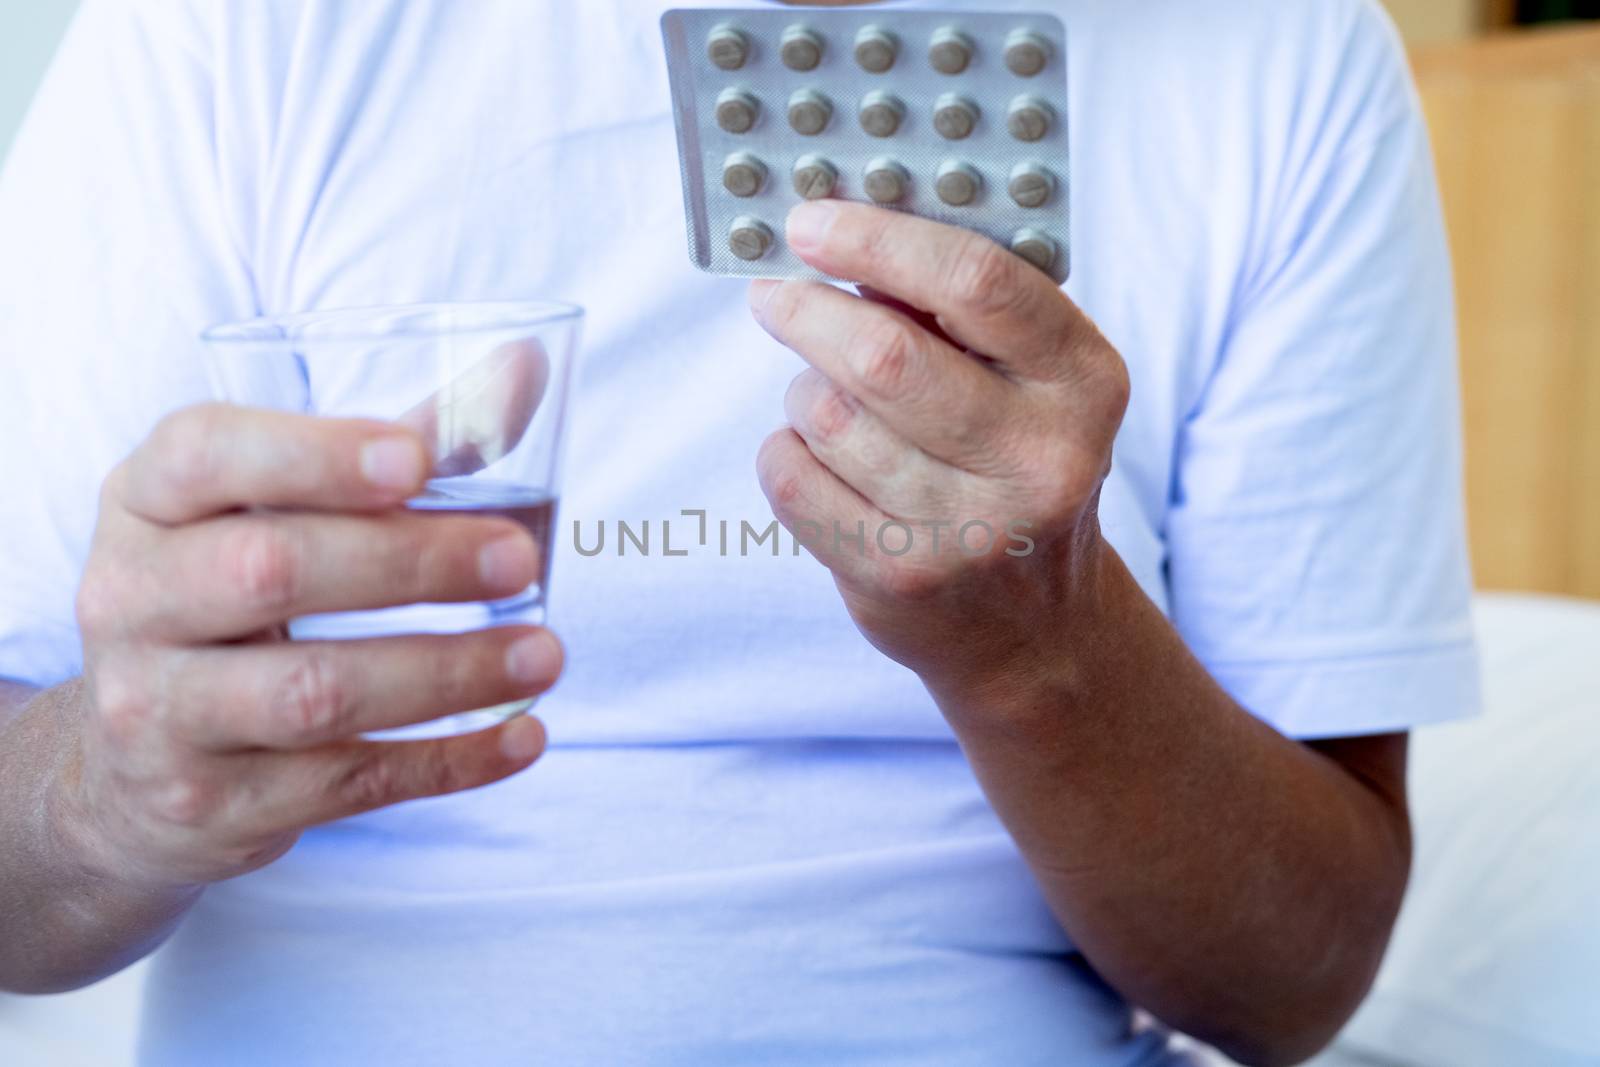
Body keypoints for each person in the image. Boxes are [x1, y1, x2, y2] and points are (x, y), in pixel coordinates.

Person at [0, 0, 1480, 1064]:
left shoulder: (1280, 53)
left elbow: (1296, 986)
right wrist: (110, 795)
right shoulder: (231, 32)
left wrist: (1041, 655)